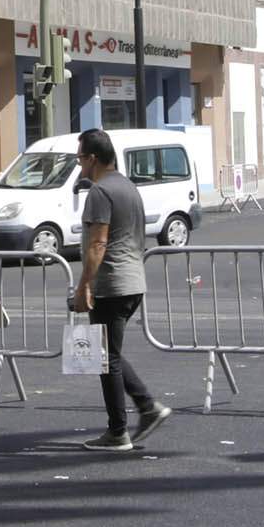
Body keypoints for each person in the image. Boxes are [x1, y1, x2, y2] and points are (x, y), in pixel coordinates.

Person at [71, 128, 173, 453]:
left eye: (80, 158)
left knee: (105, 358)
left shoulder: (100, 192)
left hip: (111, 283)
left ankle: (122, 428)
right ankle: (144, 409)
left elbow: (99, 242)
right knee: (107, 354)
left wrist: (84, 284)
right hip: (133, 281)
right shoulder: (129, 187)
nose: (79, 165)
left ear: (93, 158)